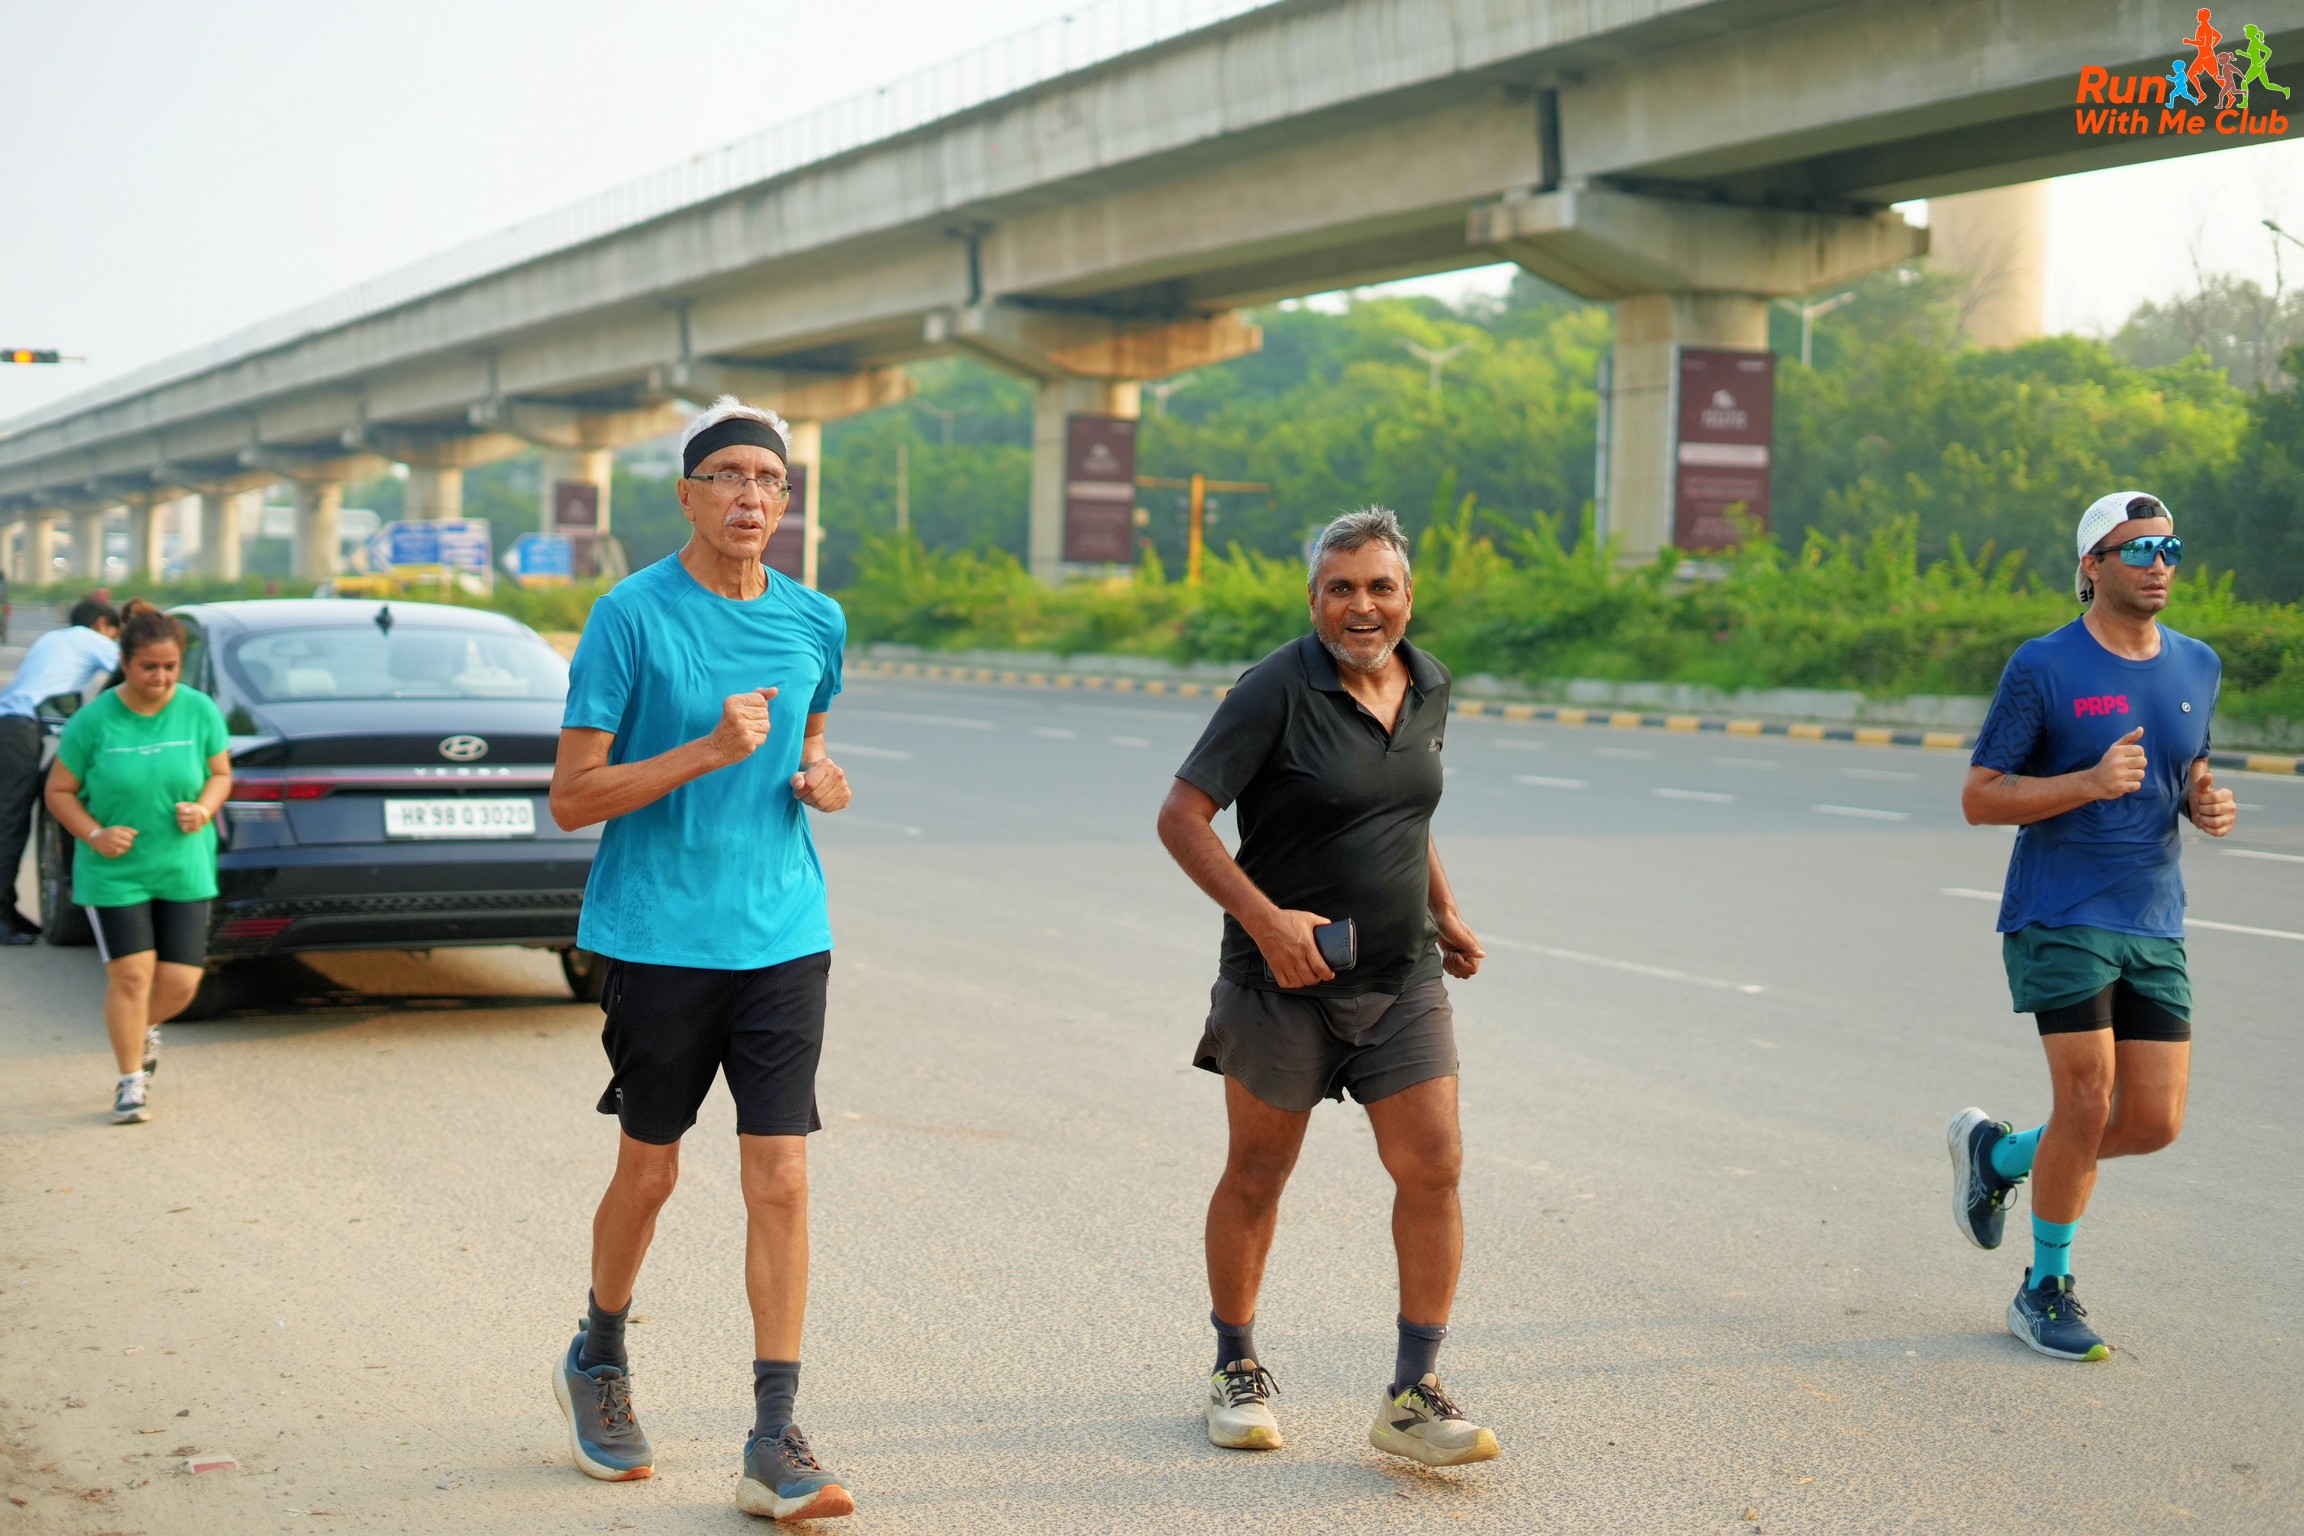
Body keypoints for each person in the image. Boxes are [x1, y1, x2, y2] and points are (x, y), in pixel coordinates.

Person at [547, 396, 857, 1521]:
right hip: (658, 937)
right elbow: (573, 798)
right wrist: (705, 751)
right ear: (686, 495)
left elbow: (809, 745)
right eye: (727, 476)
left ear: (786, 500)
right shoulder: (629, 616)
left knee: (781, 1175)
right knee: (651, 1170)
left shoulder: (816, 618)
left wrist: (822, 780)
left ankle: (774, 1434)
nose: (749, 496)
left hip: (782, 935)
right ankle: (599, 1352)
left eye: (768, 481)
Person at [1155, 506, 1499, 1468]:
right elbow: (1181, 817)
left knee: (1433, 1167)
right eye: (1341, 588)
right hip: (1280, 982)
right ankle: (1235, 1364)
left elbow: (1406, 813)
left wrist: (1445, 909)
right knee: (1259, 1173)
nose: (1362, 606)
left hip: (1402, 976)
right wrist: (1267, 922)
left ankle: (1414, 1392)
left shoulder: (1428, 683)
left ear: (1408, 597)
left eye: (1380, 587)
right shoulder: (1273, 689)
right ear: (1314, 600)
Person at [1948, 491, 2235, 1362]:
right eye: (2139, 549)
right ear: (2092, 565)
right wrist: (2088, 782)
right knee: (2087, 1100)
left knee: (2151, 1122)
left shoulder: (2198, 665)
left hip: (2154, 918)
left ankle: (1999, 1158)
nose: (2159, 564)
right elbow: (1980, 797)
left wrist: (2204, 802)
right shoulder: (2044, 665)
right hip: (2060, 911)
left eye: (2170, 549)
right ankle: (2044, 1289)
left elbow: (2188, 769)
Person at [41, 602, 230, 1123]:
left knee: (181, 984)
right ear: (124, 662)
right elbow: (58, 791)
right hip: (114, 871)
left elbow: (220, 774)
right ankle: (131, 1083)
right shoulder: (93, 721)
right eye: (149, 667)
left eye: (170, 667)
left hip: (183, 865)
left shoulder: (199, 710)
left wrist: (204, 808)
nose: (160, 677)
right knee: (131, 975)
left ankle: (137, 1028)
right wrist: (95, 834)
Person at [0, 595, 121, 942]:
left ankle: (7, 910)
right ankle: (1, 918)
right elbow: (129, 667)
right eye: (113, 634)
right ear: (102, 624)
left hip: (9, 724)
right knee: (10, 823)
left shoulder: (52, 638)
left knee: (11, 820)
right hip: (20, 728)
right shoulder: (93, 640)